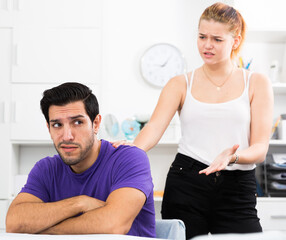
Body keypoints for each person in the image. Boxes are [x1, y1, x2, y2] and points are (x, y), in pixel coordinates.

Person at [113, 2, 273, 239]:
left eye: (217, 39)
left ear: (235, 41)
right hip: (187, 180)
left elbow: (260, 148)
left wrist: (232, 157)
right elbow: (154, 128)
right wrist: (133, 149)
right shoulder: (179, 84)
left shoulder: (256, 83)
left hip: (237, 184)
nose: (207, 45)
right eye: (202, 36)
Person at [5, 82, 156, 237]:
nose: (67, 136)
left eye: (77, 122)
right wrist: (79, 203)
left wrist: (47, 230)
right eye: (57, 124)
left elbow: (114, 224)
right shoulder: (46, 168)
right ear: (48, 129)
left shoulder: (129, 158)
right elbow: (14, 222)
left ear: (96, 124)